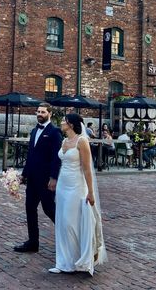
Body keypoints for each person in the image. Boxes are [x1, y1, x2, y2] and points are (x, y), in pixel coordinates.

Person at [49, 113, 107, 275]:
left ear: (71, 125)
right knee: (61, 223)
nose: (61, 123)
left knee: (70, 223)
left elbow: (88, 169)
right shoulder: (64, 141)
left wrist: (90, 192)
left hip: (77, 187)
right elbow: (60, 162)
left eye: (64, 121)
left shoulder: (82, 141)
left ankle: (78, 260)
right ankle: (63, 262)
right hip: (62, 186)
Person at [14, 104, 62, 253]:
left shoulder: (55, 133)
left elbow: (56, 158)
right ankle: (33, 242)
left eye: (43, 112)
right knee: (30, 208)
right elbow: (31, 155)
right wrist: (24, 174)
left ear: (50, 113)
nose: (40, 114)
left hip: (46, 180)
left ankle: (68, 237)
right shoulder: (35, 131)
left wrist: (54, 177)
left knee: (49, 209)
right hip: (33, 179)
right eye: (38, 111)